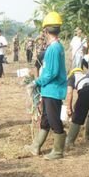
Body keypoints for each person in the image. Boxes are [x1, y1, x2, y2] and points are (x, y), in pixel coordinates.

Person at [24, 12, 67, 160]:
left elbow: (51, 73)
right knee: (46, 119)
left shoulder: (54, 48)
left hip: (53, 89)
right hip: (50, 89)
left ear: (45, 30)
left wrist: (36, 82)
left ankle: (58, 151)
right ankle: (36, 146)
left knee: (54, 120)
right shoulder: (55, 47)